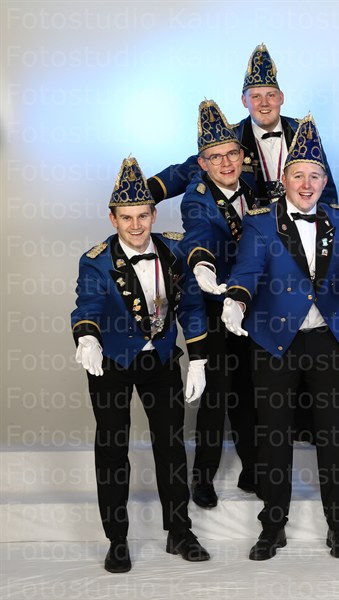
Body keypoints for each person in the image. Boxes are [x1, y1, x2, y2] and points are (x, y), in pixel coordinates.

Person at [221, 114, 339, 561]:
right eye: (298, 176)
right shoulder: (260, 223)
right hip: (274, 341)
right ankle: (273, 526)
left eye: (314, 176)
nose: (306, 185)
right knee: (273, 437)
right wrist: (236, 300)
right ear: (284, 179)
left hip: (327, 340)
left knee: (335, 436)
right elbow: (247, 270)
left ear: (325, 181)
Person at [71, 156, 211, 573]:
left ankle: (179, 531)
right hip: (111, 361)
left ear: (154, 214)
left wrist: (199, 359)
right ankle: (117, 539)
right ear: (112, 218)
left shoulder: (175, 250)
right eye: (126, 217)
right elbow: (88, 304)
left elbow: (192, 307)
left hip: (161, 360)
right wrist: (87, 337)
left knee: (171, 447)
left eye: (143, 216)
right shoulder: (95, 260)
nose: (136, 226)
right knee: (112, 450)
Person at [179, 100, 259, 509]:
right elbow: (199, 234)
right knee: (216, 396)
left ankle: (253, 469)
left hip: (255, 306)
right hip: (214, 305)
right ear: (202, 163)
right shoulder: (196, 199)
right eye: (215, 157)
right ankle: (203, 476)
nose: (226, 163)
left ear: (243, 155)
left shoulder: (258, 188)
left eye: (231, 154)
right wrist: (202, 265)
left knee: (252, 391)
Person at [146, 43, 338, 206]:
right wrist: (141, 193)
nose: (264, 103)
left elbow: (324, 185)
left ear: (281, 97)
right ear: (244, 101)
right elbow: (187, 171)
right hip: (253, 230)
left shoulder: (303, 131)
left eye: (270, 95)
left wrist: (327, 227)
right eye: (255, 96)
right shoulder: (233, 137)